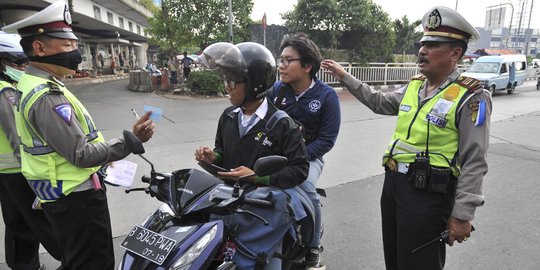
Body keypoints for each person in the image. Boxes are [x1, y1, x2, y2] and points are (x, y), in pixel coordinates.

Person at [321, 6, 491, 270]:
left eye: (433, 45)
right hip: (395, 185)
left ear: (456, 53)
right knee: (396, 258)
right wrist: (345, 77)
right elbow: (379, 102)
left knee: (420, 262)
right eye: (422, 43)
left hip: (429, 194)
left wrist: (462, 214)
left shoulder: (471, 96)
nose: (422, 50)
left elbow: (475, 160)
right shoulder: (414, 86)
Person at [2, 1, 155, 269]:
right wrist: (131, 140)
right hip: (76, 198)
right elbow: (81, 155)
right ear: (39, 48)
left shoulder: (33, 84)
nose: (76, 51)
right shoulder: (46, 96)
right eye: (67, 45)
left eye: (75, 44)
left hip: (62, 195)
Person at [195, 42, 309, 269]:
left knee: (264, 263)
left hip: (263, 216)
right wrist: (213, 157)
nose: (227, 87)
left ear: (255, 84)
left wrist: (257, 177)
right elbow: (223, 151)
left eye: (232, 81)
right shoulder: (228, 116)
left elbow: (299, 169)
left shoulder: (282, 124)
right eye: (225, 80)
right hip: (229, 206)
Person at [267, 33, 340, 270]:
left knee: (307, 188)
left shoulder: (327, 96)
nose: (281, 65)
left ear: (307, 66)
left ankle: (313, 246)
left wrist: (297, 159)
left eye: (288, 61)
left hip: (310, 157)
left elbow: (327, 140)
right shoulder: (276, 91)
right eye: (281, 59)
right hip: (276, 155)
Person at [0, 30, 63, 270]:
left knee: (17, 223)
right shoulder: (5, 91)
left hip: (5, 172)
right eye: (17, 62)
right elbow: (15, 136)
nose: (22, 66)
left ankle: (25, 265)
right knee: (44, 222)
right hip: (19, 171)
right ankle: (74, 259)